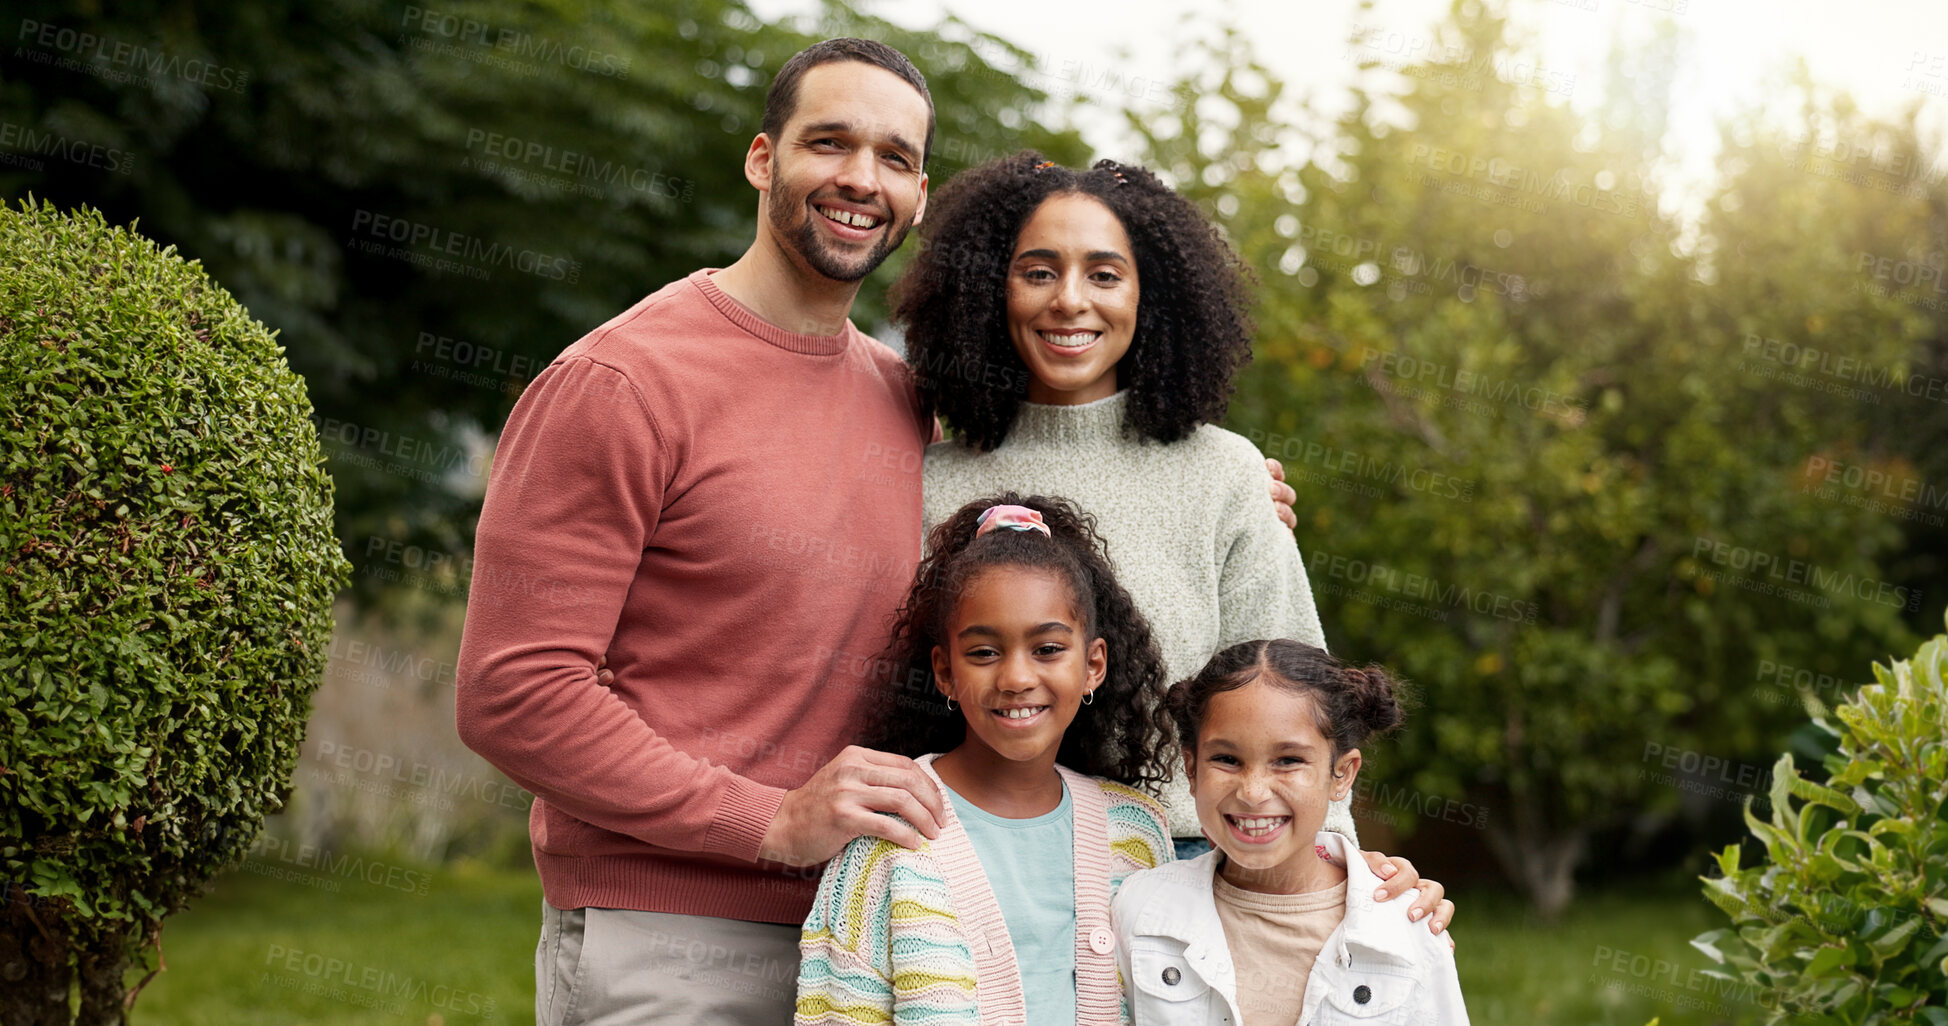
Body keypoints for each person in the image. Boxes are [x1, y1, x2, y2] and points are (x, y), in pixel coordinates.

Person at [456, 37, 1442, 1026]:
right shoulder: (622, 384)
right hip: (682, 932)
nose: (859, 178)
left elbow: (1276, 689)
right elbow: (514, 692)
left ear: (920, 195)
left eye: (892, 157)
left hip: (927, 910)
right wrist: (771, 821)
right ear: (762, 158)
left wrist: (1343, 873)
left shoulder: (904, 409)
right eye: (827, 142)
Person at [899, 154, 1378, 870]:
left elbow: (1298, 695)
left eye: (1103, 273)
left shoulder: (1223, 473)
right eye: (1037, 272)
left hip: (1187, 869)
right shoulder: (928, 482)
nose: (1069, 299)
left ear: (1149, 296)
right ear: (986, 293)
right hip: (975, 866)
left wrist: (1342, 869)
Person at [795, 494, 1176, 1026]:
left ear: (1093, 665)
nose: (1016, 678)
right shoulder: (888, 831)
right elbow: (839, 1012)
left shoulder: (1137, 836)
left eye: (1047, 649)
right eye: (983, 652)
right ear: (945, 671)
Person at [1113, 640, 1471, 1026]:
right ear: (1192, 768)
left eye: (1288, 760)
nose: (1252, 792)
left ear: (1343, 774)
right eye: (1226, 759)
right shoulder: (1140, 910)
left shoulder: (1407, 928)